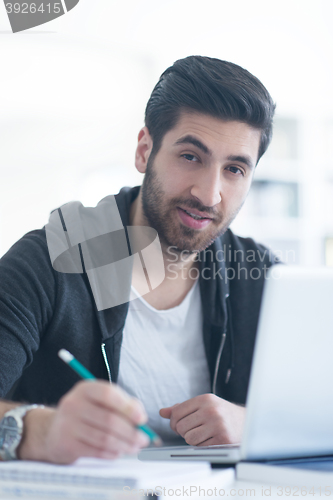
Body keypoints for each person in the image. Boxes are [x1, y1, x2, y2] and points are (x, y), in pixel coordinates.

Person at [0, 55, 277, 464]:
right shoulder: (49, 263)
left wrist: (253, 423)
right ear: (145, 151)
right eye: (190, 157)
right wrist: (37, 431)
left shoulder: (264, 278)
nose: (208, 193)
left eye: (234, 169)